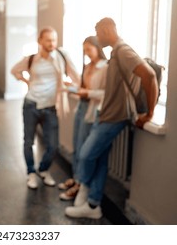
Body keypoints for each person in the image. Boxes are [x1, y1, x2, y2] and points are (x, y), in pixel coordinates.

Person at [65, 17, 158, 219]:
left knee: (86, 154)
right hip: (105, 114)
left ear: (107, 30)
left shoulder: (123, 51)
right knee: (99, 159)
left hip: (114, 117)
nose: (98, 38)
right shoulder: (116, 53)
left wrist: (149, 113)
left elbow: (149, 76)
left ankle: (85, 192)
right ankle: (93, 205)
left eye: (98, 33)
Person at [11, 27, 80, 189]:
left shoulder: (61, 57)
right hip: (31, 104)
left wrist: (68, 86)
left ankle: (43, 169)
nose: (52, 43)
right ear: (40, 41)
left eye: (54, 40)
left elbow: (76, 79)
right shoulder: (32, 59)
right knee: (28, 141)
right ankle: (31, 173)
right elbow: (14, 71)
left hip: (50, 107)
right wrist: (27, 82)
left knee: (53, 145)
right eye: (48, 40)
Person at [58, 36, 108, 201]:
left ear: (97, 48)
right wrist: (70, 87)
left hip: (93, 111)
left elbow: (106, 94)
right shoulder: (87, 66)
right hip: (81, 107)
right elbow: (83, 88)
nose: (87, 53)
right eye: (84, 50)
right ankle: (77, 178)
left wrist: (87, 93)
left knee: (85, 149)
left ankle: (81, 184)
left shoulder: (106, 68)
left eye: (89, 49)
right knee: (77, 146)